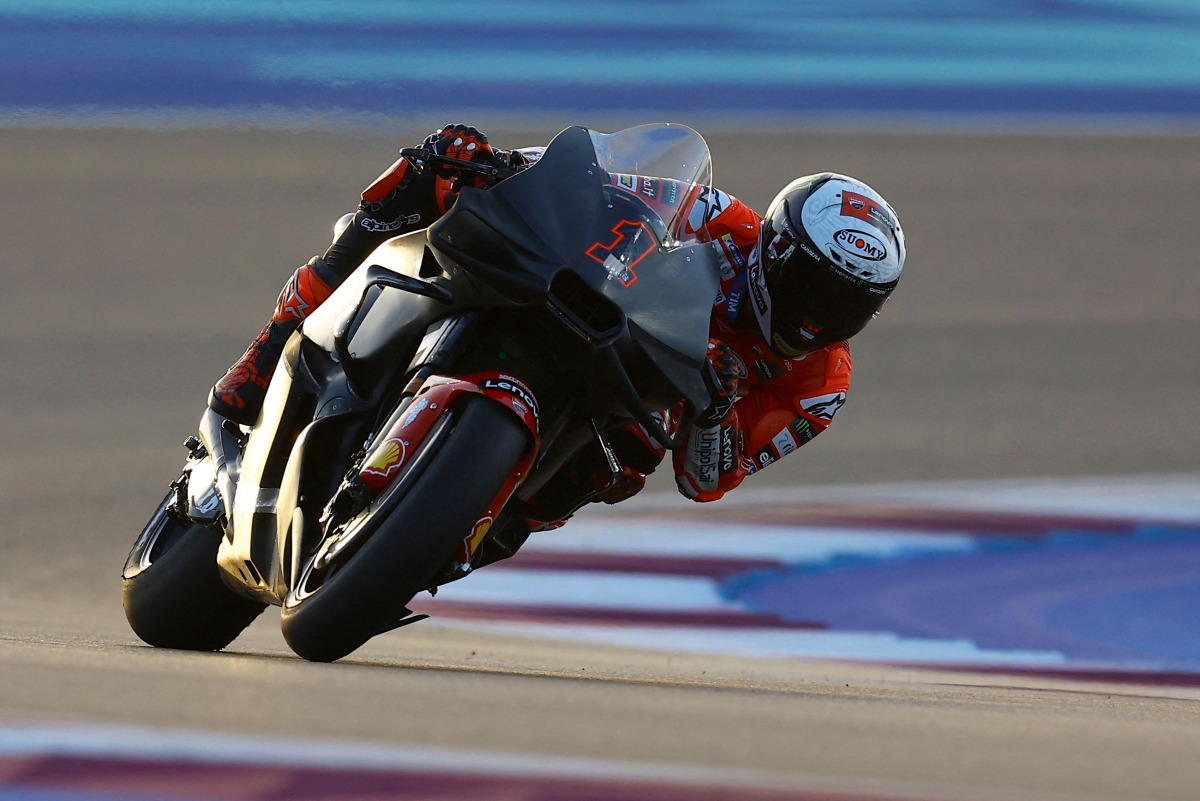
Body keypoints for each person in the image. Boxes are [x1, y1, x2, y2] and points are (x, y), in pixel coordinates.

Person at [205, 124, 905, 509]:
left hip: (637, 391)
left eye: (847, 304)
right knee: (439, 169)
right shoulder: (722, 220)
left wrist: (717, 411)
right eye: (810, 285)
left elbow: (708, 480)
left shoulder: (821, 385)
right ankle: (266, 354)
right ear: (776, 248)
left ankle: (487, 522)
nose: (819, 316)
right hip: (589, 297)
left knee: (633, 460)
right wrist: (505, 165)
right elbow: (598, 182)